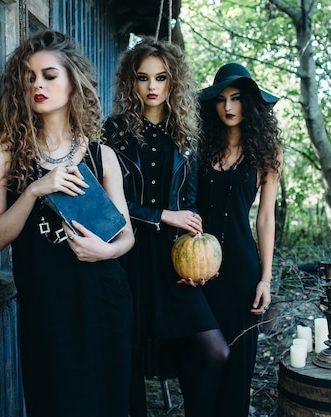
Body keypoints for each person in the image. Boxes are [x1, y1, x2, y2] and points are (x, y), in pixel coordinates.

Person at [0, 30, 135, 417]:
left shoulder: (103, 156)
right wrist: (36, 188)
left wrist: (106, 250)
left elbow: (126, 235)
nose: (37, 84)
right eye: (30, 76)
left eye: (49, 75)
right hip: (47, 310)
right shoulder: (4, 147)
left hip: (104, 301)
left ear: (73, 81)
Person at [104, 37, 229, 417]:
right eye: (143, 78)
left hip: (173, 261)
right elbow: (113, 204)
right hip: (127, 254)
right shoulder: (115, 134)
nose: (152, 86)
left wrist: (200, 264)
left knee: (215, 351)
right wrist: (161, 215)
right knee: (131, 359)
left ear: (173, 81)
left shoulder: (187, 138)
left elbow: (188, 205)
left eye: (161, 78)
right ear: (132, 82)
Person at [197, 63, 282, 417]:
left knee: (237, 367)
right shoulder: (200, 147)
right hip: (197, 268)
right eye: (221, 99)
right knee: (201, 365)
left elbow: (265, 218)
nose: (229, 107)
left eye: (236, 98)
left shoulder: (266, 153)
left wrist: (265, 278)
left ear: (249, 104)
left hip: (242, 272)